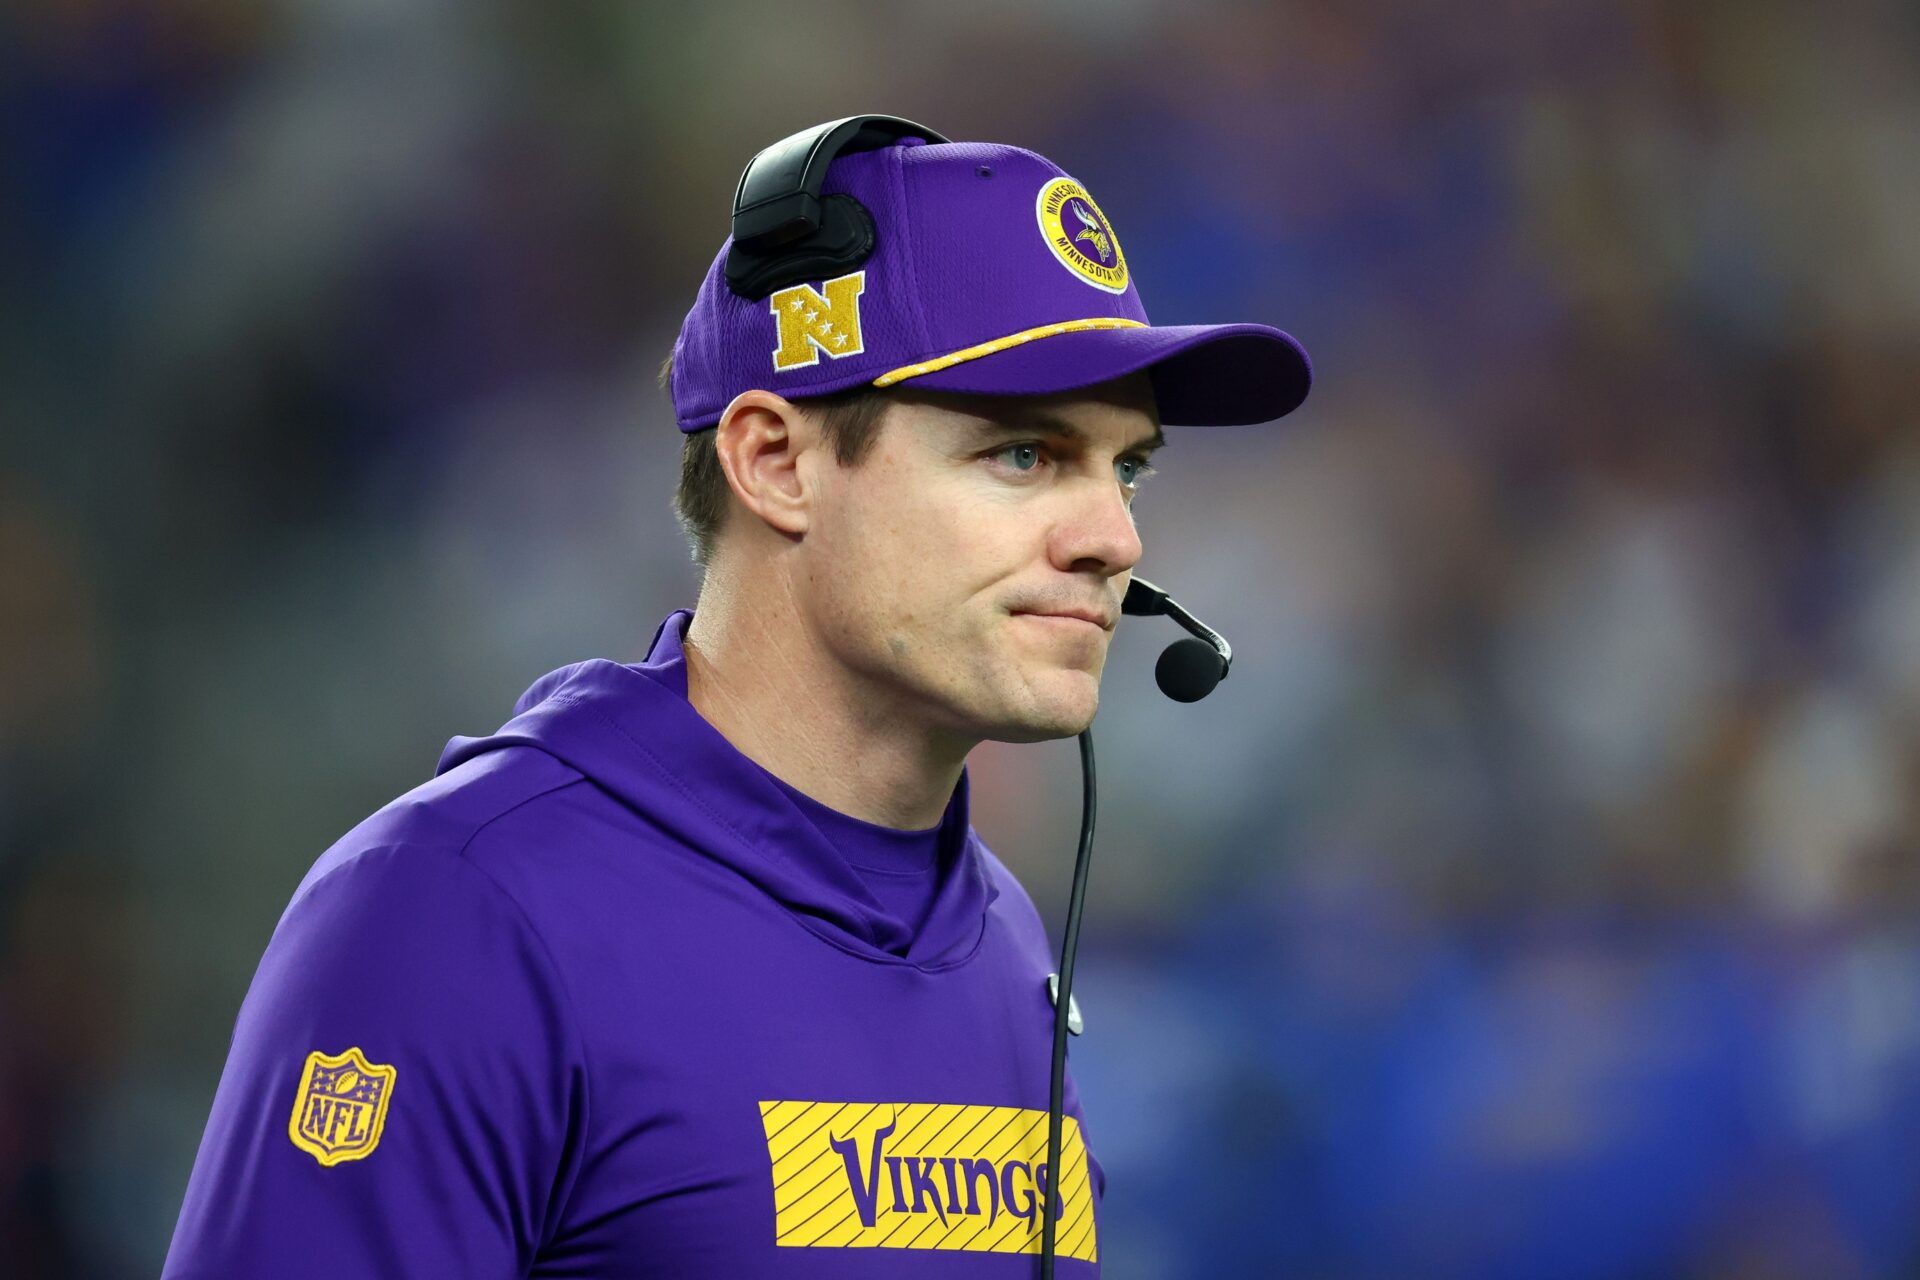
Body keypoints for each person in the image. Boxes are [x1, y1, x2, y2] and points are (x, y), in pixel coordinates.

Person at [160, 117, 1309, 1277]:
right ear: (773, 461)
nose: (1114, 536)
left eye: (1130, 467)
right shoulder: (459, 912)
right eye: (1023, 453)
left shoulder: (1010, 944)